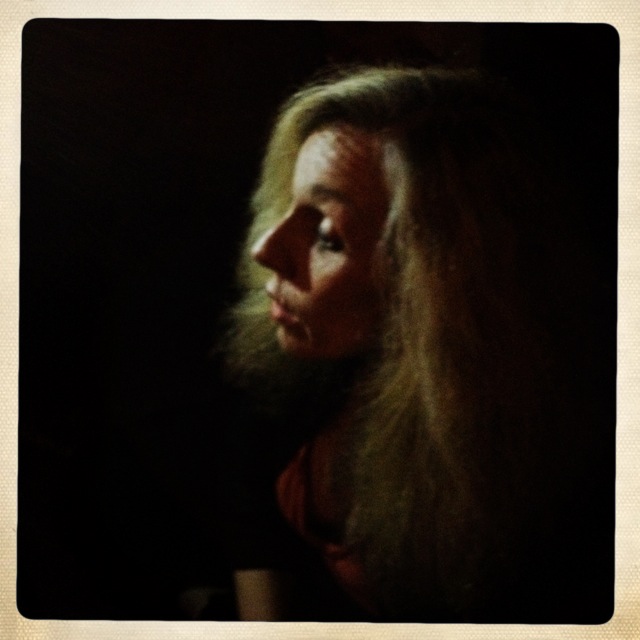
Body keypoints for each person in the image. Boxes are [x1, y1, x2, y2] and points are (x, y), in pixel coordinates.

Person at [219, 65, 614, 623]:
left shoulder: (555, 493)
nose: (265, 249)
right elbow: (256, 537)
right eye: (289, 203)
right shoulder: (295, 376)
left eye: (327, 235)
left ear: (439, 281)